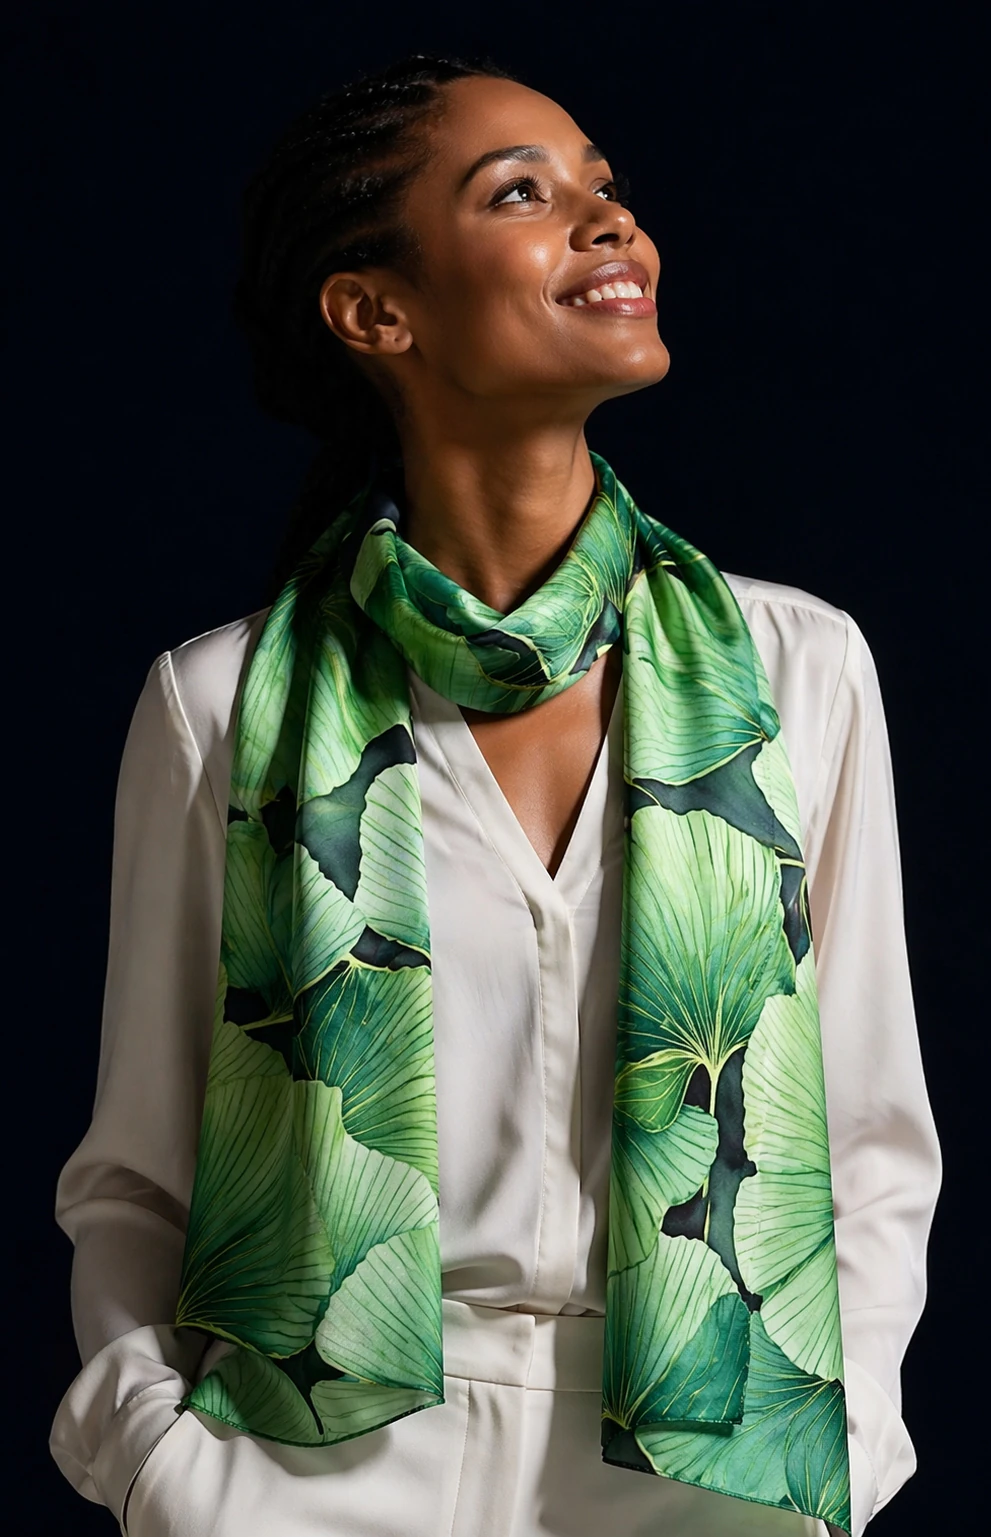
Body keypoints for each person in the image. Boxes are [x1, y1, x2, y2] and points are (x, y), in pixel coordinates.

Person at [49, 53, 940, 1537]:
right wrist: (171, 1469)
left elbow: (869, 1139)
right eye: (523, 193)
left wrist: (841, 1451)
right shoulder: (216, 707)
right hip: (310, 1473)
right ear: (373, 312)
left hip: (710, 1472)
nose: (608, 222)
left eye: (604, 184)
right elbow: (140, 1178)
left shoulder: (797, 672)